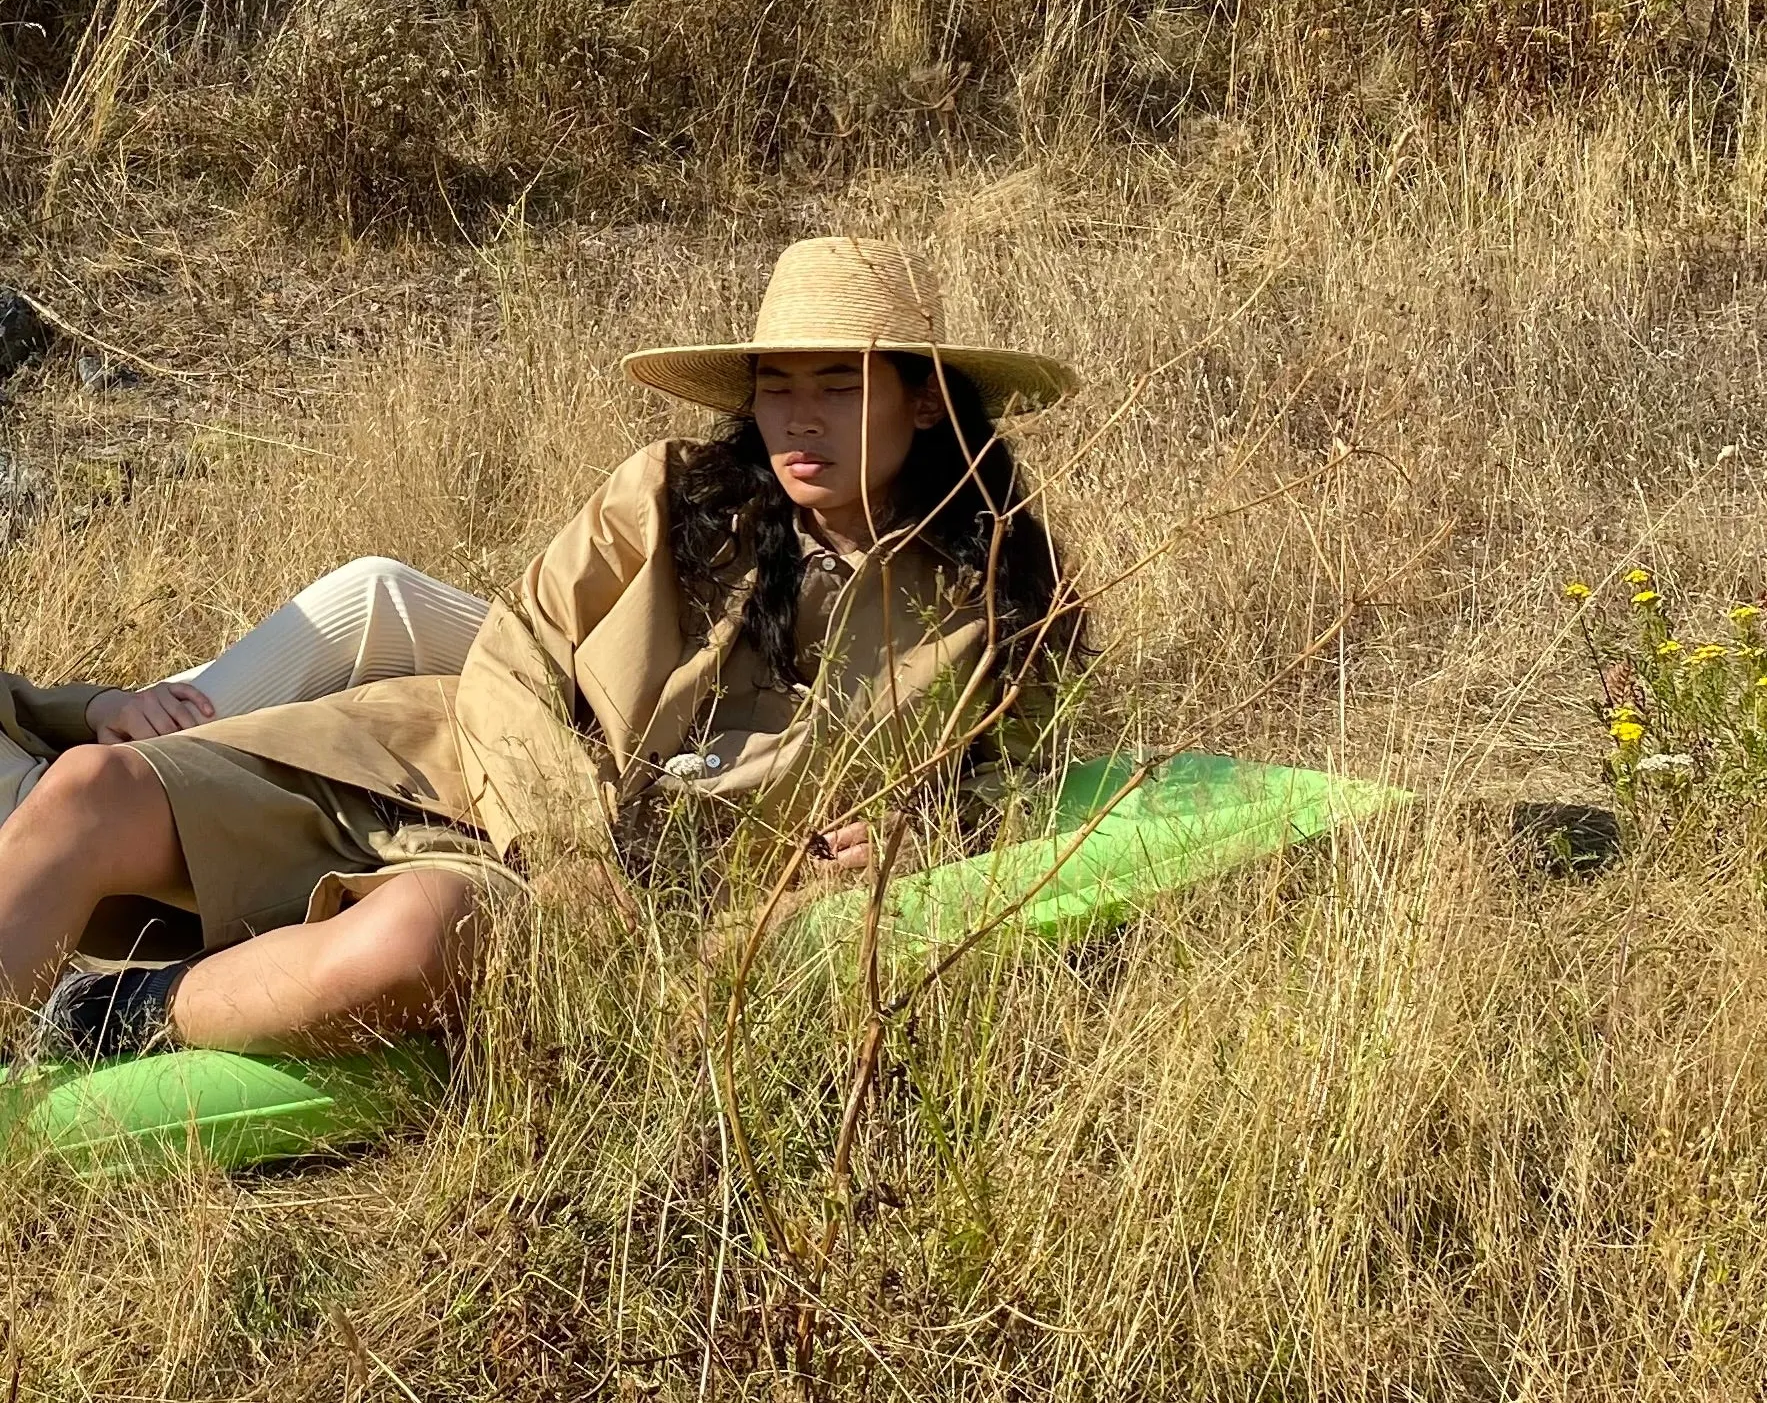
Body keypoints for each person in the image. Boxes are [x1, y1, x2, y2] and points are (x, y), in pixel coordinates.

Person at [0, 237, 1078, 1063]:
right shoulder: (666, 493)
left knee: (413, 938)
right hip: (459, 772)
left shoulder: (996, 601)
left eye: (839, 385)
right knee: (94, 788)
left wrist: (917, 833)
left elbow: (1024, 782)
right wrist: (559, 843)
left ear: (924, 400)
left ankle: (107, 1014)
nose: (800, 420)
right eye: (778, 385)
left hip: (640, 886)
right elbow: (513, 659)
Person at [0, 559, 493, 817]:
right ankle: (558, 662)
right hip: (73, 816)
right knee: (376, 600)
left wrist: (97, 707)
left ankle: (547, 681)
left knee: (373, 607)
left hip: (72, 766)